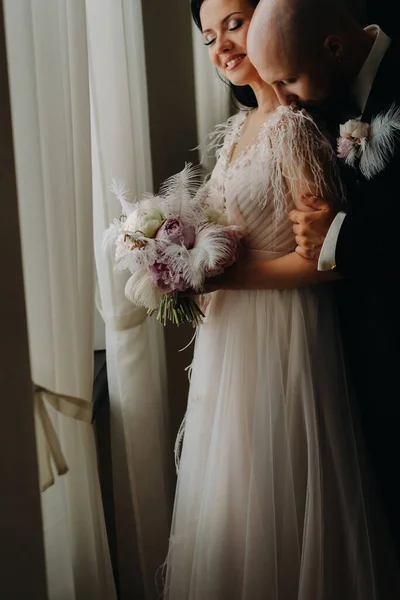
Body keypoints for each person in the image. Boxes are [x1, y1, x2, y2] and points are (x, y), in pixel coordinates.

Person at [161, 0, 399, 598]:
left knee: (286, 483)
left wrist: (217, 278)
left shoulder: (298, 125)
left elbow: (322, 257)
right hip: (232, 342)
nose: (222, 46)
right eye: (208, 35)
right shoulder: (239, 129)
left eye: (234, 23)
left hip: (286, 334)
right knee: (238, 492)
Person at [247, 0, 400, 563]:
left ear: (334, 48)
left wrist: (336, 238)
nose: (284, 98)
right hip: (364, 351)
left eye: (287, 79)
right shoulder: (328, 95)